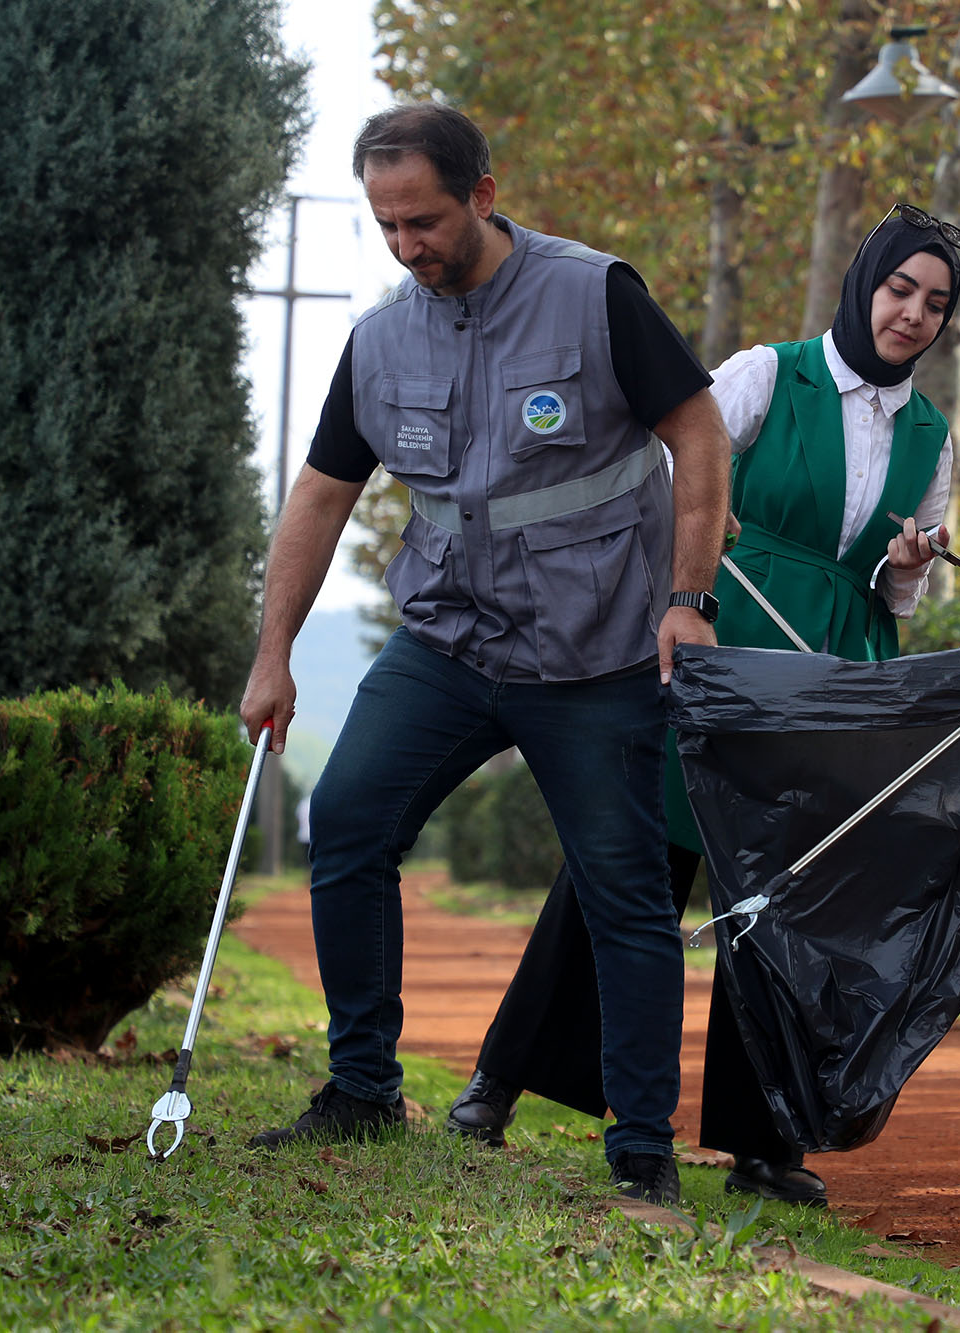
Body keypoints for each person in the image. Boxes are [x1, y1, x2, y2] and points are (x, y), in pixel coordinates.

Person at [236, 104, 732, 1210]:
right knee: (349, 822)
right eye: (387, 227)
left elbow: (695, 432)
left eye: (425, 220)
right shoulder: (379, 340)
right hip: (448, 643)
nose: (408, 246)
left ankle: (640, 1144)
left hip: (597, 656)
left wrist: (686, 598)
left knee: (623, 892)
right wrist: (272, 655)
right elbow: (320, 496)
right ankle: (362, 1087)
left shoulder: (594, 293)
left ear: (483, 195)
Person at [447, 205, 960, 1209]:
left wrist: (905, 563)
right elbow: (670, 466)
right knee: (633, 864)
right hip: (721, 652)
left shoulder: (930, 436)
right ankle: (502, 1078)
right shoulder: (769, 373)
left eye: (935, 304)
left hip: (827, 682)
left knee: (777, 910)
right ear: (863, 284)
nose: (912, 315)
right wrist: (699, 516)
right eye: (900, 289)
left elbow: (894, 593)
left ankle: (761, 1143)